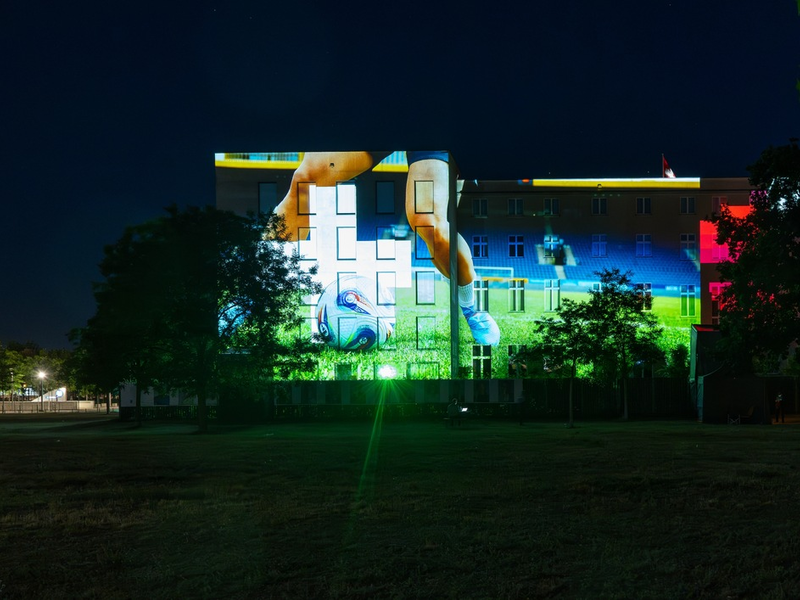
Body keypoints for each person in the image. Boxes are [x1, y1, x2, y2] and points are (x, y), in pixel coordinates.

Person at [274, 151, 500, 346]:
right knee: (306, 180)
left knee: (428, 219)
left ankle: (472, 308)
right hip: (379, 106)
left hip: (429, 111)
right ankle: (257, 289)